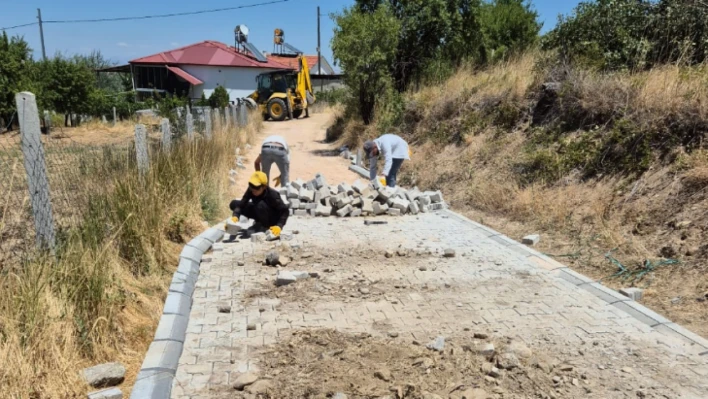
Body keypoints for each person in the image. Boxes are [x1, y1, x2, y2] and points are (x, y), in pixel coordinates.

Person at [229, 171, 289, 238]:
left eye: (256, 188)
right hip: (258, 211)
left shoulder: (273, 195)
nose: (253, 190)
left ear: (264, 187)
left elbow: (285, 211)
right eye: (251, 187)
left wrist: (279, 226)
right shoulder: (251, 190)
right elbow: (242, 204)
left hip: (271, 217)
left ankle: (263, 226)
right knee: (234, 204)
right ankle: (259, 221)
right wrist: (235, 216)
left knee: (260, 204)